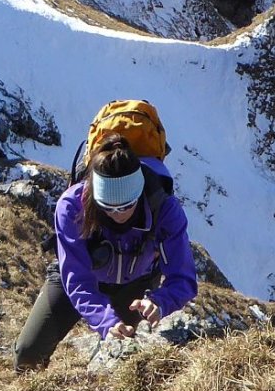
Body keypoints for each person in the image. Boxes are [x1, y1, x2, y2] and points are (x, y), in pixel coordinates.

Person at [13, 138, 197, 370]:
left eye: (126, 206)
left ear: (140, 192)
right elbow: (77, 278)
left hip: (135, 286)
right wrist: (104, 321)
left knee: (126, 361)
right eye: (108, 207)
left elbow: (184, 279)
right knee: (28, 353)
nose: (118, 214)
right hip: (76, 278)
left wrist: (158, 302)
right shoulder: (71, 206)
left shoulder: (165, 208)